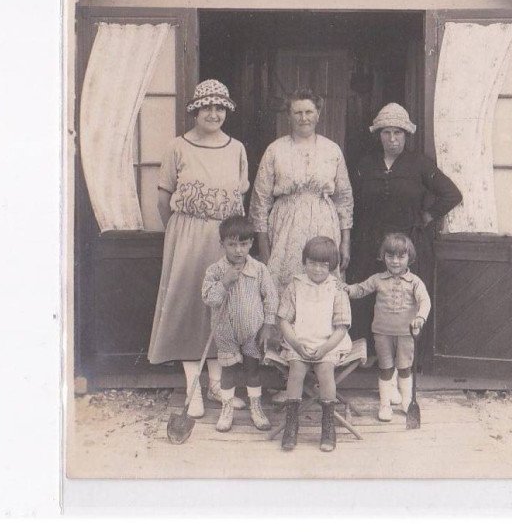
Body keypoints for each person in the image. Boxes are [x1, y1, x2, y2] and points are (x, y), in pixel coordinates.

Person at [148, 79, 250, 419]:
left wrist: (233, 244)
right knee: (190, 307)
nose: (213, 113)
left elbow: (240, 200)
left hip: (225, 241)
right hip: (187, 236)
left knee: (222, 307)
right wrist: (180, 233)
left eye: (220, 107)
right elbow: (164, 201)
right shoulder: (178, 147)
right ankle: (193, 388)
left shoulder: (236, 148)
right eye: (207, 106)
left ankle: (218, 385)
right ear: (195, 110)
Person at [351, 103, 461, 377]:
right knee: (371, 297)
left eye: (397, 133)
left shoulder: (420, 164)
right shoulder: (365, 164)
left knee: (407, 301)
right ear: (378, 135)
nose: (392, 139)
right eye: (386, 133)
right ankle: (374, 358)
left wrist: (427, 216)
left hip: (408, 245)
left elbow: (452, 194)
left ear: (406, 135)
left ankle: (409, 362)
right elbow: (351, 201)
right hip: (371, 245)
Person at [250, 88, 354, 295]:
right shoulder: (275, 149)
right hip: (285, 227)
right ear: (289, 116)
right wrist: (264, 250)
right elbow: (259, 202)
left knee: (322, 287)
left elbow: (344, 200)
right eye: (297, 113)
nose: (303, 118)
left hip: (323, 225)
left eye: (308, 112)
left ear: (318, 114)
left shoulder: (332, 150)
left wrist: (345, 243)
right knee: (283, 288)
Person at [201, 216, 278, 433]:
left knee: (253, 370)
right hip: (226, 332)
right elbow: (209, 299)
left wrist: (267, 325)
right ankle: (227, 409)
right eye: (232, 244)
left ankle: (256, 407)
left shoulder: (259, 269)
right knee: (229, 371)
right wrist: (224, 282)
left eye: (243, 244)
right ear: (222, 244)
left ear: (251, 243)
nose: (238, 250)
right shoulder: (215, 271)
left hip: (253, 331)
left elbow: (270, 297)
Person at [276, 236, 352, 453]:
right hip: (299, 341)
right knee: (296, 370)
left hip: (328, 342)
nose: (317, 269)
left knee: (325, 371)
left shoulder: (336, 289)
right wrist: (296, 344)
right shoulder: (296, 285)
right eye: (312, 263)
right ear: (305, 262)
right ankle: (292, 424)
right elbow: (284, 320)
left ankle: (328, 425)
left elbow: (342, 327)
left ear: (332, 266)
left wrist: (325, 348)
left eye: (323, 265)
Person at [345, 232, 431, 422]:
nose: (395, 261)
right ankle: (385, 405)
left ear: (410, 258)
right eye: (390, 256)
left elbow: (425, 301)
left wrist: (420, 318)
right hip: (382, 332)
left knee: (404, 368)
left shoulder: (415, 282)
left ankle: (406, 401)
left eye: (401, 256)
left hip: (407, 333)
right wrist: (348, 289)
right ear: (383, 257)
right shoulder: (378, 279)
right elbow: (361, 289)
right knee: (385, 368)